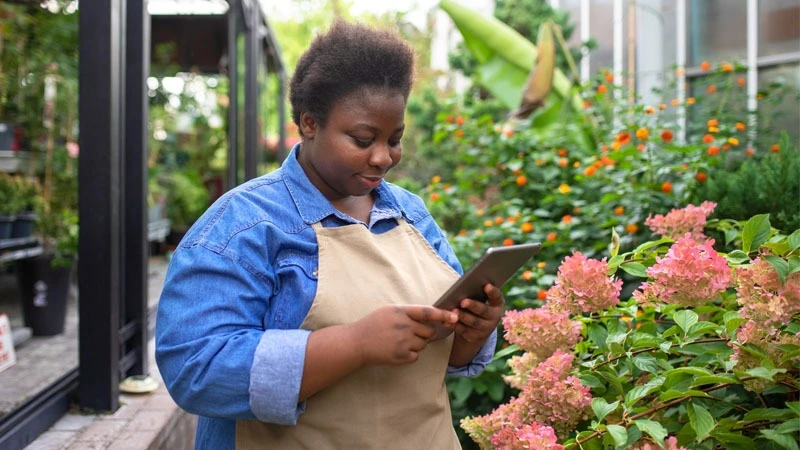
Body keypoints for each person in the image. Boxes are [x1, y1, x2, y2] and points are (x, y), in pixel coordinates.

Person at [155, 20, 503, 450]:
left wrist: (470, 331)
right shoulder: (243, 227)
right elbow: (196, 371)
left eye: (395, 139)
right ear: (309, 123)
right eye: (362, 138)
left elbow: (442, 356)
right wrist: (354, 344)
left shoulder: (410, 213)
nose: (382, 158)